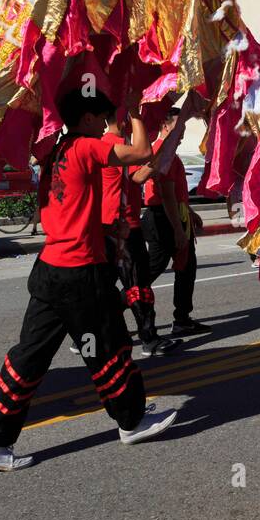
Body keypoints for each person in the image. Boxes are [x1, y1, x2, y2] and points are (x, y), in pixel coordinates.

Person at [0, 88, 179, 473]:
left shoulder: (54, 151)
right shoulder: (85, 147)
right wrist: (134, 113)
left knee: (26, 359)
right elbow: (143, 153)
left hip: (49, 269)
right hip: (80, 274)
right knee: (110, 350)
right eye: (100, 118)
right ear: (85, 120)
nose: (103, 125)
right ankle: (131, 422)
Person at [101, 106, 178, 358]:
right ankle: (149, 339)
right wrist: (166, 143)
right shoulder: (118, 145)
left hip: (105, 226)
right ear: (123, 118)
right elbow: (140, 175)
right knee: (138, 286)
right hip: (125, 227)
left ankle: (95, 336)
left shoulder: (102, 143)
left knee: (104, 287)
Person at [138, 105, 207, 336]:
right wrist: (178, 229)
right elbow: (166, 196)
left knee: (187, 268)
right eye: (178, 128)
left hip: (174, 215)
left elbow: (175, 194)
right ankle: (110, 315)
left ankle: (182, 318)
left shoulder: (168, 154)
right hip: (163, 218)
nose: (182, 134)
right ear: (164, 126)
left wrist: (189, 213)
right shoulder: (160, 153)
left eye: (184, 128)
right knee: (149, 272)